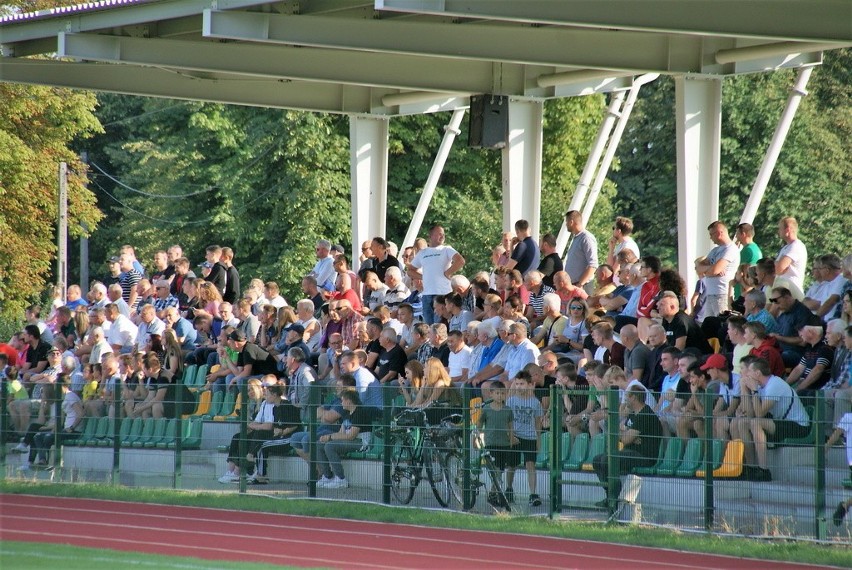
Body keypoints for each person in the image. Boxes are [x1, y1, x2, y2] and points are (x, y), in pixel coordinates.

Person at [731, 357, 810, 481]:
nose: (745, 374)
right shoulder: (760, 385)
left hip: (798, 426)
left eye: (749, 371)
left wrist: (754, 391)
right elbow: (749, 413)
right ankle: (750, 467)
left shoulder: (774, 384)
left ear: (757, 373)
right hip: (780, 423)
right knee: (741, 423)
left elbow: (759, 414)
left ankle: (764, 470)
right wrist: (744, 389)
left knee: (756, 423)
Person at [592, 385, 663, 506]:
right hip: (630, 452)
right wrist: (629, 436)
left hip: (644, 456)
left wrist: (621, 432)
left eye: (627, 397)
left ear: (634, 398)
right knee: (597, 460)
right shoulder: (633, 414)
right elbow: (626, 435)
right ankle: (610, 495)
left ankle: (614, 497)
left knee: (606, 460)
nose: (624, 400)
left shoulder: (645, 415)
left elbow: (625, 439)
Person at [218, 383, 284, 483]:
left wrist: (254, 426)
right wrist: (255, 426)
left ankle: (238, 472)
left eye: (252, 389)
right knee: (237, 437)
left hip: (267, 434)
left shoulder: (272, 404)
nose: (250, 392)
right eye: (248, 390)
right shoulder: (264, 403)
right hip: (259, 431)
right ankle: (230, 471)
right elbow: (255, 422)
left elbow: (268, 426)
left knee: (246, 439)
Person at [407, 225, 466, 325]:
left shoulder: (447, 249)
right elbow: (410, 270)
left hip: (442, 293)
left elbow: (460, 261)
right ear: (430, 235)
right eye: (439, 234)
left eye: (443, 234)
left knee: (441, 325)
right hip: (426, 294)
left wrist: (448, 272)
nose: (442, 236)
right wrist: (423, 277)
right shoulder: (422, 252)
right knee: (429, 326)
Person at [23, 374, 84, 469]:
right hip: (65, 429)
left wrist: (72, 428)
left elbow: (80, 413)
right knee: (38, 437)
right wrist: (55, 429)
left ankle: (52, 464)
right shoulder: (64, 397)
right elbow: (62, 418)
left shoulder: (70, 396)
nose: (54, 385)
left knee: (48, 438)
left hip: (74, 431)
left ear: (61, 384)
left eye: (56, 383)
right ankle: (42, 461)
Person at [316, 389, 373, 489]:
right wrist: (328, 438)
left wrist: (330, 437)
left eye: (342, 400)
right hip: (349, 440)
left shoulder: (360, 412)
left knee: (330, 447)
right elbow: (341, 433)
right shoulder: (347, 414)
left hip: (361, 443)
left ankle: (341, 479)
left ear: (349, 401)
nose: (341, 402)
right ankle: (328, 476)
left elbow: (351, 436)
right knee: (319, 444)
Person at [505, 370, 543, 507]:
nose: (519, 386)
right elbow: (507, 420)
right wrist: (510, 436)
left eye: (522, 384)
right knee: (511, 465)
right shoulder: (511, 401)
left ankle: (533, 494)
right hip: (515, 436)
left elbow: (538, 422)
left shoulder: (535, 403)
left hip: (530, 437)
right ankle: (508, 488)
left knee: (530, 464)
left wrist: (538, 440)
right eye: (517, 384)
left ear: (529, 384)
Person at [478, 382, 515, 507]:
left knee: (500, 470)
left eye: (502, 393)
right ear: (491, 394)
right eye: (497, 393)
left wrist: (511, 441)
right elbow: (479, 424)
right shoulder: (486, 409)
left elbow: (510, 428)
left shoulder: (508, 410)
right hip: (490, 443)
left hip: (504, 444)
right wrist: (477, 436)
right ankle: (495, 493)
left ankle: (493, 493)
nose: (500, 396)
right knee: (495, 470)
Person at [703, 221, 739, 317]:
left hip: (722, 294)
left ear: (719, 233)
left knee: (721, 324)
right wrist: (711, 269)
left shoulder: (731, 249)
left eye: (711, 234)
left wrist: (712, 270)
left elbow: (715, 270)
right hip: (710, 294)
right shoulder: (715, 250)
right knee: (708, 326)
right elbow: (698, 267)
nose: (710, 238)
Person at [826, 411, 852, 525]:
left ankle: (845, 505)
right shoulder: (848, 417)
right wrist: (824, 449)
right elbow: (836, 435)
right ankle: (845, 506)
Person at [563, 210, 598, 292]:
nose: (566, 225)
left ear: (571, 222)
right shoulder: (577, 238)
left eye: (566, 222)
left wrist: (580, 284)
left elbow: (593, 265)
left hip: (583, 286)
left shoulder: (586, 238)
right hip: (574, 285)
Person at [775, 216, 808, 293]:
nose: (779, 231)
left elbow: (778, 269)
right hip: (783, 289)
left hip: (791, 291)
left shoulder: (796, 246)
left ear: (787, 230)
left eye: (780, 229)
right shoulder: (786, 248)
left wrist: (778, 264)